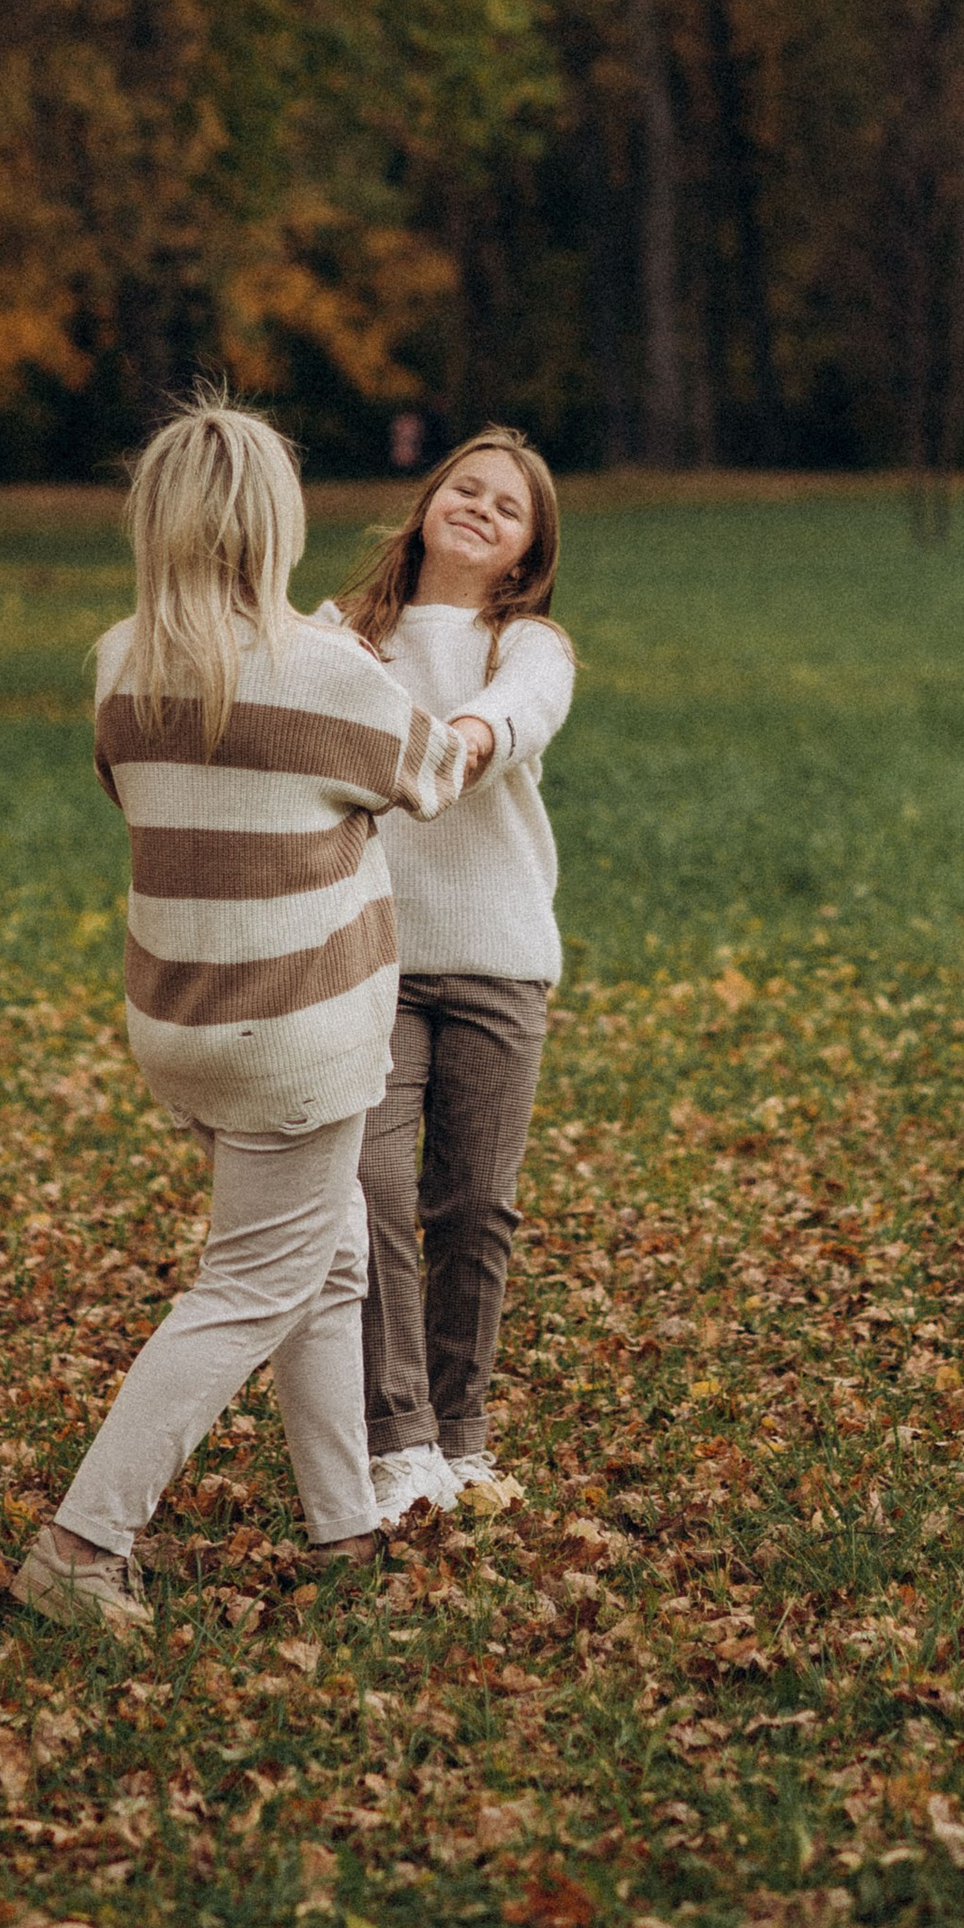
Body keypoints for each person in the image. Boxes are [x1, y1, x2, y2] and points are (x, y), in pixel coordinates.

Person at [13, 392, 494, 1639]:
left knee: (325, 1262)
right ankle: (80, 1541)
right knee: (246, 1284)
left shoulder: (122, 661)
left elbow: (141, 787)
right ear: (272, 525)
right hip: (295, 1034)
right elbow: (436, 773)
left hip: (181, 1021)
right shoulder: (323, 670)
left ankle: (343, 1527)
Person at [322, 428, 575, 1526]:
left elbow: (512, 720)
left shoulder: (527, 645)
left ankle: (461, 1436)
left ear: (522, 552)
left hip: (498, 960)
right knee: (370, 1196)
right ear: (428, 505)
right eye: (464, 488)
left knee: (474, 1203)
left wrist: (457, 739)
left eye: (505, 506)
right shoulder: (339, 639)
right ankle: (397, 1441)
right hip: (369, 958)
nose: (479, 508)